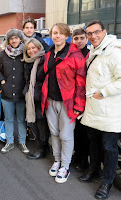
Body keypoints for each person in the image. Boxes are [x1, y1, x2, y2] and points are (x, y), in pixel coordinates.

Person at [80, 20, 121, 199]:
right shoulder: (93, 52)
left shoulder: (115, 51)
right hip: (94, 110)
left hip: (110, 111)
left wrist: (103, 92)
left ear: (105, 32)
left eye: (96, 32)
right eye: (89, 33)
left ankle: (107, 182)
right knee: (94, 144)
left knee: (109, 148)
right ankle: (94, 170)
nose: (93, 36)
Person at [39, 23, 86, 183]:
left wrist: (79, 105)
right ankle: (57, 160)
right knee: (54, 134)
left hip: (68, 103)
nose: (57, 36)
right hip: (50, 100)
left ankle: (65, 166)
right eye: (54, 33)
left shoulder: (75, 55)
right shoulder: (48, 54)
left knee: (66, 136)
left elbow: (81, 83)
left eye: (60, 33)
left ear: (66, 36)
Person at [0, 28, 29, 154]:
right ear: (8, 41)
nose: (14, 40)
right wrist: (2, 82)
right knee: (8, 119)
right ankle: (9, 142)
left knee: (21, 119)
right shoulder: (3, 54)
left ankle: (22, 142)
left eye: (16, 38)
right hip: (7, 93)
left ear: (20, 39)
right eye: (11, 38)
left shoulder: (25, 53)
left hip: (21, 93)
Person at [22, 38, 50, 159]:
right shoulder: (27, 62)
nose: (31, 50)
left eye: (33, 48)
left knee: (41, 124)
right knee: (34, 123)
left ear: (39, 47)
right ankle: (43, 147)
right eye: (28, 49)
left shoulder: (44, 59)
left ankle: (42, 149)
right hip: (31, 97)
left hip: (41, 97)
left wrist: (38, 94)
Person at [71, 28, 90, 172]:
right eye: (76, 38)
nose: (79, 41)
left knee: (85, 132)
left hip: (88, 97)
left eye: (81, 38)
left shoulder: (90, 54)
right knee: (76, 131)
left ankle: (84, 161)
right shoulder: (71, 53)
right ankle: (77, 156)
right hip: (74, 97)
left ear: (86, 39)